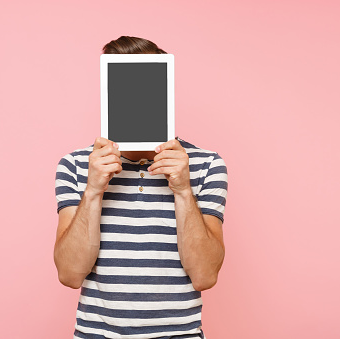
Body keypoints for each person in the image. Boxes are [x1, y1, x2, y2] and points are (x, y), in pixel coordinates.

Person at [54, 36, 228, 339]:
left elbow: (205, 276)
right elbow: (69, 275)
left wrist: (184, 191)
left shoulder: (206, 164)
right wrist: (93, 190)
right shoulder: (76, 164)